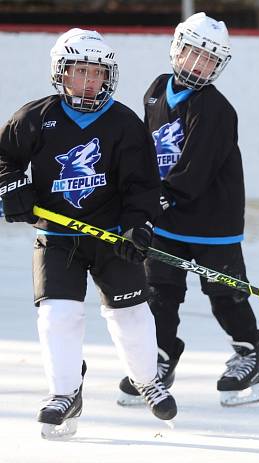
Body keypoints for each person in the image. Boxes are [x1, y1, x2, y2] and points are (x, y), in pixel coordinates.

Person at [0, 28, 177, 439]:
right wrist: (12, 186)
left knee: (130, 313)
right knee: (58, 315)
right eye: (80, 72)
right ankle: (64, 392)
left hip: (111, 237)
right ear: (61, 74)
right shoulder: (36, 117)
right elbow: (3, 158)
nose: (90, 81)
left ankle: (146, 379)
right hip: (57, 237)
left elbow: (143, 184)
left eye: (97, 73)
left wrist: (140, 224)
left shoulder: (124, 123)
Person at [116, 12, 259, 408]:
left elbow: (194, 171)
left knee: (225, 294)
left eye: (210, 59)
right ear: (177, 49)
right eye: (194, 54)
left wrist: (153, 203)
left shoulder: (216, 110)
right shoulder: (155, 90)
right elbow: (147, 150)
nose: (200, 65)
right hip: (167, 219)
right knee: (159, 294)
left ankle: (250, 354)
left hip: (213, 222)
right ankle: (159, 359)